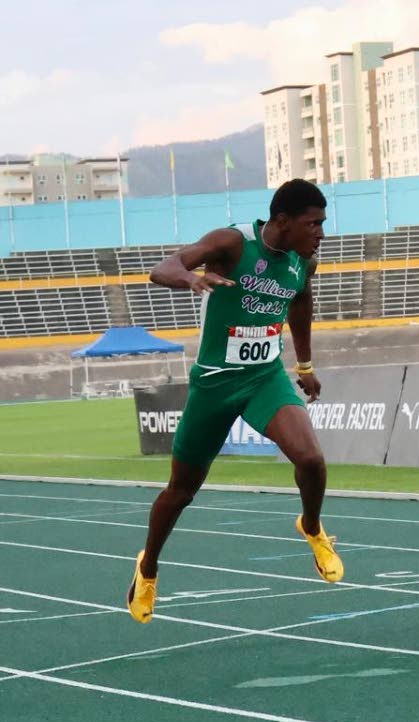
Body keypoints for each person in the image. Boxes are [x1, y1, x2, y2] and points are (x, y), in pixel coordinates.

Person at [126, 179, 343, 623]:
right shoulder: (232, 242)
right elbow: (161, 268)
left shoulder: (304, 262)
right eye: (313, 223)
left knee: (311, 459)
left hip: (264, 378)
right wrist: (190, 277)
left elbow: (301, 302)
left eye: (323, 223)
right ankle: (147, 568)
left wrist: (304, 366)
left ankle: (313, 527)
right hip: (215, 384)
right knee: (180, 491)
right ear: (282, 221)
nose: (321, 232)